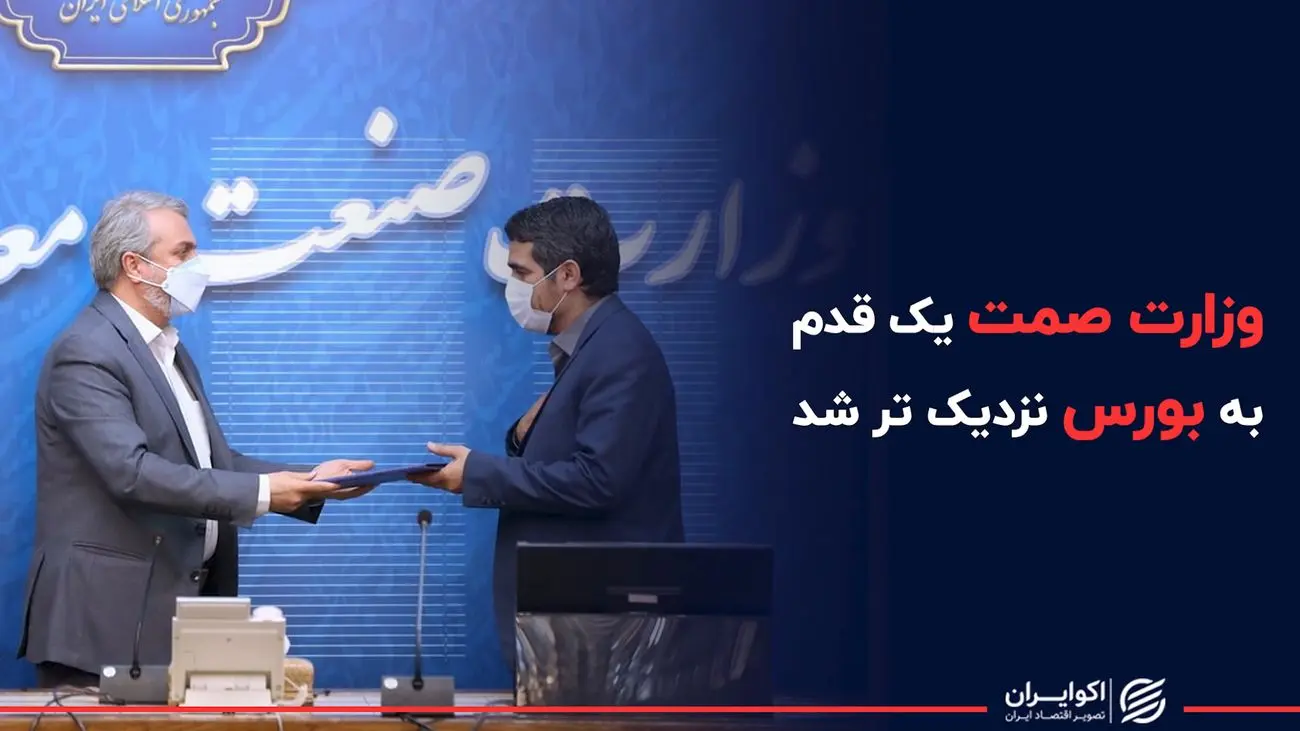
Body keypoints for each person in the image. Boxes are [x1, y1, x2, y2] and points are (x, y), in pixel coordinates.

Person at [17, 191, 375, 689]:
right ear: (134, 265)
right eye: (183, 253)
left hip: (178, 619)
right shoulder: (87, 351)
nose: (197, 265)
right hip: (101, 629)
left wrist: (312, 481)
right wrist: (265, 494)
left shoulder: (168, 349)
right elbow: (132, 472)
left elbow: (208, 461)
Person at [414, 196, 685, 664]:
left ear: (568, 275)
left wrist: (476, 472)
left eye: (522, 273)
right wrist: (522, 438)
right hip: (579, 625)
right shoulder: (595, 347)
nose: (515, 288)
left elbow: (598, 481)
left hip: (605, 628)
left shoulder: (619, 352)